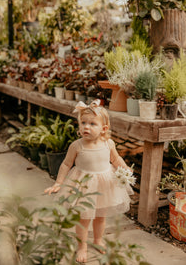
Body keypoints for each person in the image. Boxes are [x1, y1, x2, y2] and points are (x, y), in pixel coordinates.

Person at [44, 99, 133, 263]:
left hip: (104, 185)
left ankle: (98, 240)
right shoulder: (77, 146)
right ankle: (82, 246)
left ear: (103, 129)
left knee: (100, 216)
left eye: (92, 124)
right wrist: (59, 182)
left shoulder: (108, 143)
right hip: (84, 185)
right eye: (83, 122)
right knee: (84, 218)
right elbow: (66, 164)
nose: (86, 127)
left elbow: (116, 159)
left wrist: (125, 168)